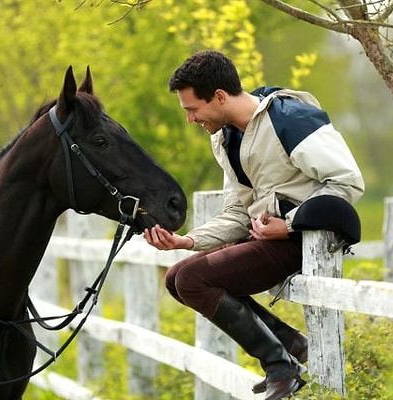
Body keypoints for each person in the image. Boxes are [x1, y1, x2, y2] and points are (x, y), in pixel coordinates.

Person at [143, 50, 364, 399]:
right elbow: (237, 212)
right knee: (175, 279)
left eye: (192, 109)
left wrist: (290, 225)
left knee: (191, 279)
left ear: (218, 97)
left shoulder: (290, 119)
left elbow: (347, 183)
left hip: (305, 241)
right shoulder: (225, 137)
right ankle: (290, 344)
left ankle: (280, 366)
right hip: (267, 240)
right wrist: (187, 241)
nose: (190, 119)